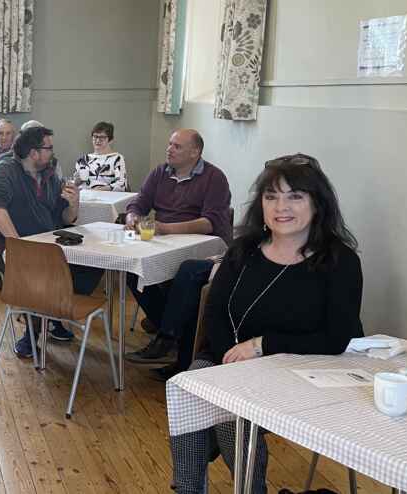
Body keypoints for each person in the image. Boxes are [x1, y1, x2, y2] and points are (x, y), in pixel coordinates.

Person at [170, 153, 363, 493]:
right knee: (187, 391)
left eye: (295, 196)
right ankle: (188, 488)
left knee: (231, 417)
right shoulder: (243, 250)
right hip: (227, 359)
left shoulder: (339, 260)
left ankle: (250, 488)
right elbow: (214, 312)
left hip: (299, 370)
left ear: (317, 204)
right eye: (271, 196)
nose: (281, 207)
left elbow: (337, 338)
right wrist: (230, 360)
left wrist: (261, 345)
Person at [0, 125, 104, 357]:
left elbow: (67, 218)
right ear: (34, 152)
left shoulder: (49, 175)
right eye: (49, 148)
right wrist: (20, 247)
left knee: (93, 264)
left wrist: (74, 202)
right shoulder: (6, 169)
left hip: (47, 245)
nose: (52, 153)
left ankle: (53, 313)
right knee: (40, 270)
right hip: (4, 246)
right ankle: (32, 333)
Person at [122, 129, 232, 381]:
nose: (169, 149)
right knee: (130, 267)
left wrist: (165, 228)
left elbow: (210, 223)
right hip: (165, 243)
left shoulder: (214, 178)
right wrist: (132, 217)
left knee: (188, 271)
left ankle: (167, 337)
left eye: (177, 146)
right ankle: (167, 329)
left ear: (196, 152)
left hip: (207, 249)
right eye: (169, 144)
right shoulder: (160, 172)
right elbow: (138, 203)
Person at [73, 121, 127, 191]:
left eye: (102, 137)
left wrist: (100, 189)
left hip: (107, 199)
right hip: (84, 198)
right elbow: (75, 185)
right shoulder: (83, 160)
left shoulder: (117, 159)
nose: (98, 140)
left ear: (110, 140)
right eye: (95, 136)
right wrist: (76, 182)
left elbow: (121, 185)